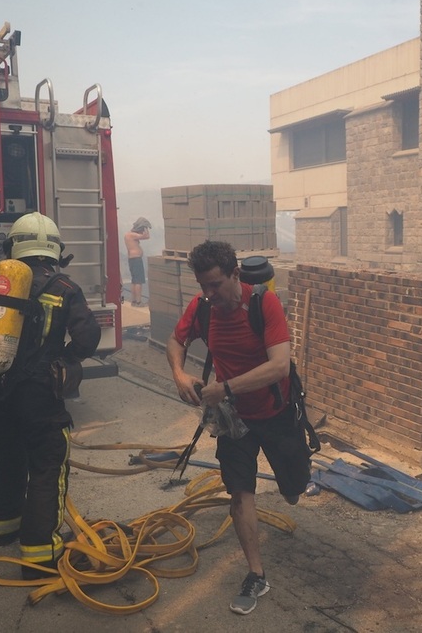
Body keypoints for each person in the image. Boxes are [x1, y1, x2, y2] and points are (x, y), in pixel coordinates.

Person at [166, 240, 311, 616]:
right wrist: (179, 373)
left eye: (215, 285)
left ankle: (293, 484)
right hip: (235, 419)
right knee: (240, 492)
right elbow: (176, 340)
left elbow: (279, 366)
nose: (208, 294)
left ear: (235, 275)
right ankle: (256, 573)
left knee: (293, 488)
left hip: (277, 413)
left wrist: (225, 387)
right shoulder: (202, 308)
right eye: (203, 286)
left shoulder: (264, 305)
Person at [0, 212, 101, 578]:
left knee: (8, 459)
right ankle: (39, 555)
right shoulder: (63, 288)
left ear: (12, 247)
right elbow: (88, 338)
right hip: (41, 395)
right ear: (55, 250)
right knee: (47, 467)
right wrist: (64, 359)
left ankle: (5, 530)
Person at [124, 217, 151, 306]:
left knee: (134, 281)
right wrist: (146, 228)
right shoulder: (131, 235)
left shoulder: (128, 235)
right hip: (136, 259)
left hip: (132, 259)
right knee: (138, 281)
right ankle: (139, 302)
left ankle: (134, 301)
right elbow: (146, 236)